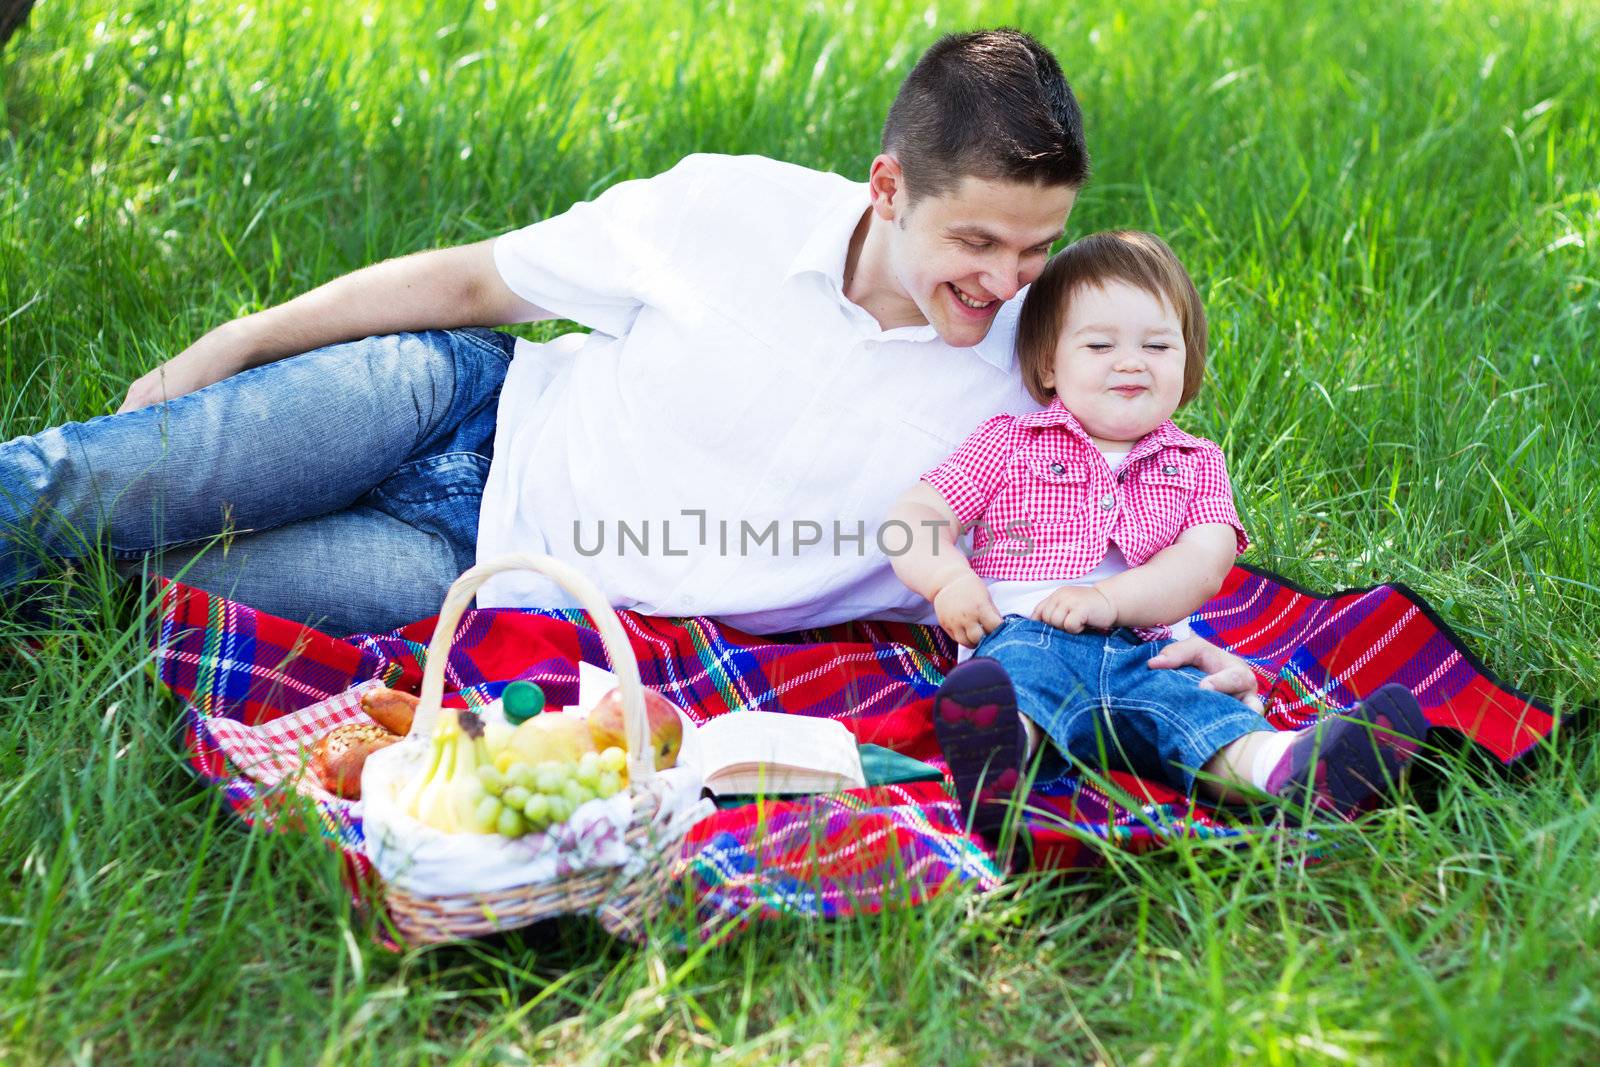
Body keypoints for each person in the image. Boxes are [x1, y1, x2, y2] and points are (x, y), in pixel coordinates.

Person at [0, 28, 1258, 705]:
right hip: (452, 403)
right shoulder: (730, 207)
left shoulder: (1023, 389)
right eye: (975, 240)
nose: (1003, 279)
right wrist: (228, 344)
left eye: (1034, 250)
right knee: (65, 491)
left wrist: (1171, 632)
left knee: (125, 590)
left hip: (476, 572)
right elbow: (469, 281)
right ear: (888, 189)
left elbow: (1082, 561)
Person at [887, 231, 1431, 838]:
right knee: (1019, 684)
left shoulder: (1195, 462)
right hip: (1028, 634)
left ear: (1186, 359)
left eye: (1157, 344)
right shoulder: (1010, 443)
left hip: (1152, 652)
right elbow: (914, 516)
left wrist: (1110, 601)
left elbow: (1204, 561)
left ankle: (1290, 769)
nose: (1131, 361)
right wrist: (948, 579)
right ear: (1047, 362)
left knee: (1206, 712)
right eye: (1099, 344)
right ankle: (994, 760)